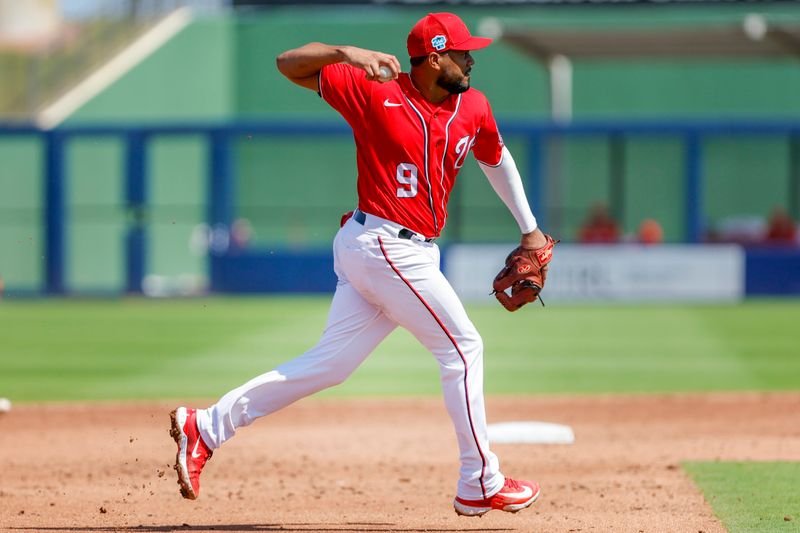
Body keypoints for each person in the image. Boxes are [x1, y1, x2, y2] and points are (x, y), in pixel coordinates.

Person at [169, 12, 547, 517]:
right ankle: (480, 481)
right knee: (463, 349)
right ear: (434, 57)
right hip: (385, 244)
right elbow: (287, 64)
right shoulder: (374, 90)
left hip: (390, 249)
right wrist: (347, 53)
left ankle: (207, 427)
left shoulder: (472, 106)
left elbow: (495, 159)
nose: (471, 59)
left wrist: (530, 229)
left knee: (331, 364)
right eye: (462, 52)